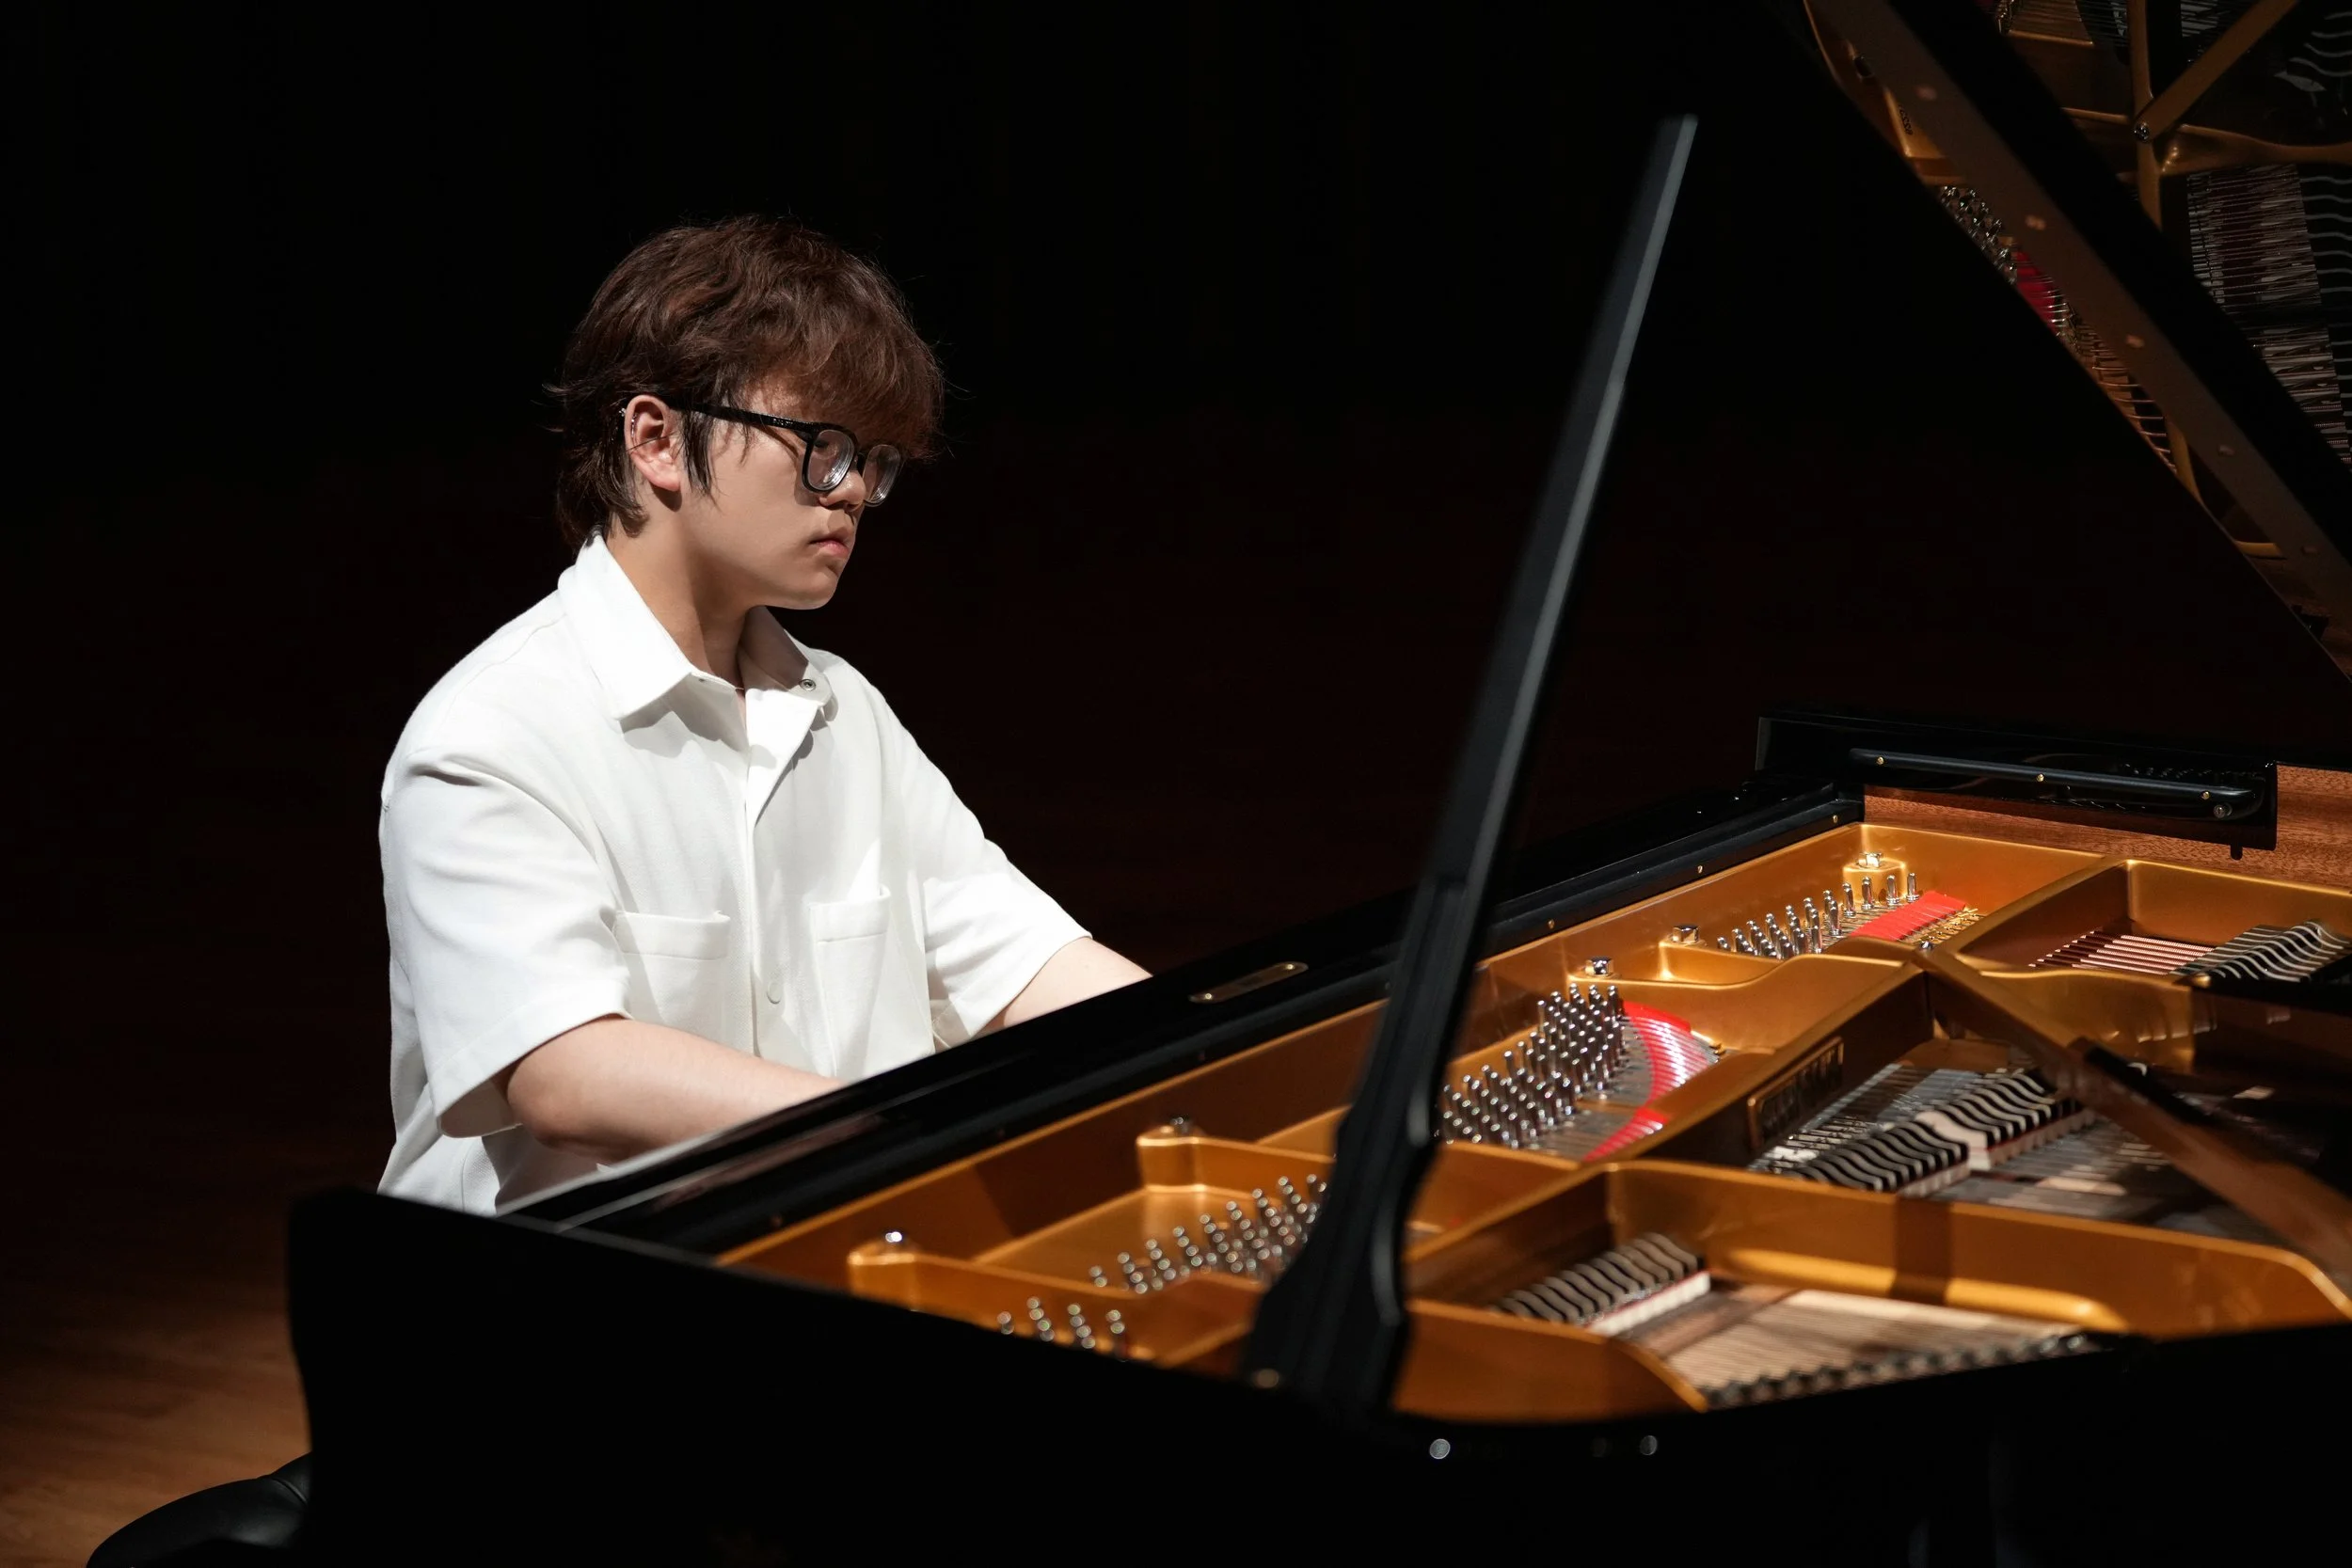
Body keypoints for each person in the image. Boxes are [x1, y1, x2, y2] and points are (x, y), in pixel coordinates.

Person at [376, 216, 1148, 1212]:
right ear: (654, 436)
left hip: (828, 1246)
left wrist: (1237, 1053)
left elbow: (1028, 966)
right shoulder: (491, 734)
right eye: (820, 445)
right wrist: (902, 1125)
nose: (857, 489)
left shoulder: (842, 713)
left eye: (872, 457)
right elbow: (565, 1070)